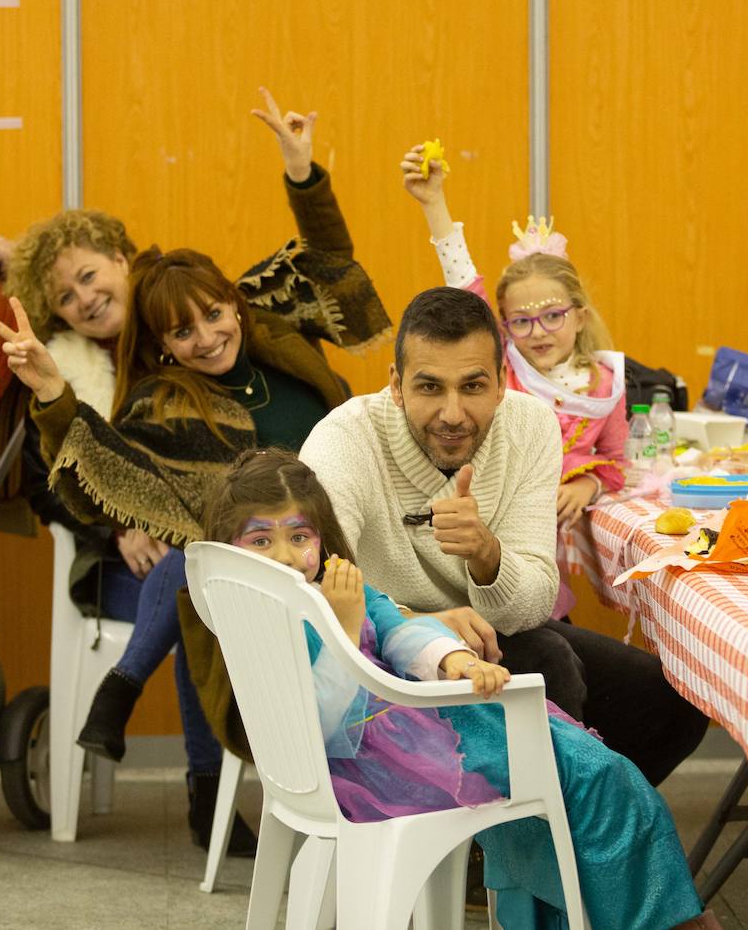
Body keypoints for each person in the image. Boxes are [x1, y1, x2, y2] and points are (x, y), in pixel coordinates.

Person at [0, 133, 390, 849]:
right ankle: (203, 782)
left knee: (192, 562)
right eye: (183, 331)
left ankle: (135, 700)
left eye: (213, 317)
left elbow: (328, 264)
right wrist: (53, 397)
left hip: (343, 539)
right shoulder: (162, 403)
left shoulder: (269, 329)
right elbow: (101, 472)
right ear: (164, 344)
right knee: (197, 563)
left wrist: (303, 174)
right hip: (237, 572)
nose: (205, 337)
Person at [202, 448, 720, 930]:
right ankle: (667, 922)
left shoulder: (321, 588)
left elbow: (402, 630)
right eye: (260, 540)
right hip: (380, 766)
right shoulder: (301, 610)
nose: (287, 557)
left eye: (299, 536)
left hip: (412, 735)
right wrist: (343, 623)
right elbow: (326, 727)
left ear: (322, 536)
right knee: (595, 778)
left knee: (580, 777)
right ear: (231, 547)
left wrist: (456, 661)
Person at [298, 287, 709, 787]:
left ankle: (567, 828)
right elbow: (306, 588)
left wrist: (486, 553)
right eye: (430, 388)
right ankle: (529, 844)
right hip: (377, 651)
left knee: (670, 701)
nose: (452, 414)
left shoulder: (529, 425)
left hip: (491, 633)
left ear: (500, 383)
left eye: (472, 387)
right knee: (547, 664)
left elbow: (531, 607)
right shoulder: (345, 439)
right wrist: (417, 620)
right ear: (396, 385)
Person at [401, 143, 625, 618]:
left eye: (553, 316)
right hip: (488, 516)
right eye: (520, 320)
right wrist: (434, 203)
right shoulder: (506, 369)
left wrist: (589, 486)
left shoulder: (605, 385)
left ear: (580, 316)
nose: (538, 331)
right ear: (502, 325)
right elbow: (463, 282)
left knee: (538, 619)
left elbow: (616, 458)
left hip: (544, 547)